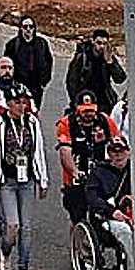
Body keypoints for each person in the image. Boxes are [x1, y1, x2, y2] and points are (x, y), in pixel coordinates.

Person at [0, 82, 49, 270]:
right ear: (8, 103)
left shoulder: (31, 123)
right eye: (17, 102)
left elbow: (38, 150)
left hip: (27, 179)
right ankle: (5, 252)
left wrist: (42, 178)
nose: (22, 106)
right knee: (13, 225)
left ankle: (23, 267)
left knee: (27, 227)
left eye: (24, 102)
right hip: (8, 181)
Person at [55, 89, 120, 225]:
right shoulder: (66, 124)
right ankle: (78, 241)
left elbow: (117, 143)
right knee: (78, 217)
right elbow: (65, 151)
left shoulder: (105, 121)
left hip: (100, 176)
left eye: (91, 110)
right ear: (77, 109)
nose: (89, 114)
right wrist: (74, 172)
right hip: (77, 178)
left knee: (102, 215)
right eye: (85, 111)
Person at [85, 136, 135, 270]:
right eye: (114, 151)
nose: (118, 154)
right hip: (107, 217)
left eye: (122, 150)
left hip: (134, 214)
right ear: (109, 153)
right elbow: (92, 199)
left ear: (128, 151)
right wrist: (112, 212)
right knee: (124, 231)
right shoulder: (98, 172)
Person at [64, 28, 126, 110]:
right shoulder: (82, 57)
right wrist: (76, 100)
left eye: (104, 44)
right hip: (86, 99)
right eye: (99, 43)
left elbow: (120, 79)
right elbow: (72, 81)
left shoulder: (108, 57)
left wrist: (111, 63)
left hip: (104, 101)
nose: (102, 47)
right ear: (93, 41)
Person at [3, 15, 54, 111]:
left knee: (34, 110)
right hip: (18, 86)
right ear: (20, 28)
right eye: (25, 27)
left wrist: (44, 81)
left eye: (31, 26)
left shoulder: (42, 43)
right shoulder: (13, 45)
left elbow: (49, 61)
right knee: (19, 111)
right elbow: (7, 65)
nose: (28, 29)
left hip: (36, 86)